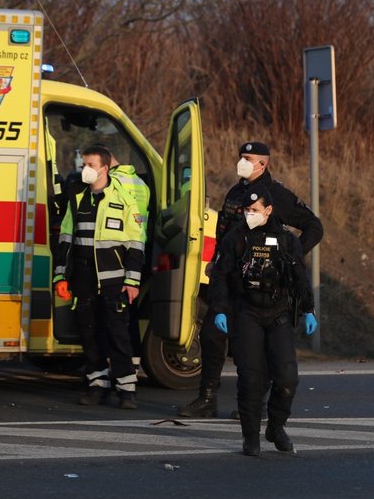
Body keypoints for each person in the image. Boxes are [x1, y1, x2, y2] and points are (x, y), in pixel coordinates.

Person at [179, 141, 323, 418]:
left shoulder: (276, 195)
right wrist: (216, 261)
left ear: (262, 164)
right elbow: (225, 230)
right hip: (231, 277)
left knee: (261, 344)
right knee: (212, 335)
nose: (241, 161)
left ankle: (256, 402)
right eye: (240, 156)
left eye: (247, 158)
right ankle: (207, 399)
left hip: (263, 284)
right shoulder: (236, 192)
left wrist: (287, 258)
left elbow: (314, 227)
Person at [208, 186, 317, 456]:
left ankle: (276, 426)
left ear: (268, 211)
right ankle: (251, 436)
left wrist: (308, 309)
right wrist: (220, 309)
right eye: (247, 210)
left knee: (287, 378)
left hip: (278, 312)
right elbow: (220, 276)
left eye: (255, 210)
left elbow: (299, 277)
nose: (249, 214)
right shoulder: (235, 238)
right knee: (251, 378)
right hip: (247, 313)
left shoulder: (286, 241)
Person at [52, 145, 146, 409]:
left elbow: (136, 243)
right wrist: (60, 277)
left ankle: (126, 390)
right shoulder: (78, 198)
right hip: (83, 280)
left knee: (118, 334)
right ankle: (97, 385)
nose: (86, 170)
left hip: (115, 281)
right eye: (84, 165)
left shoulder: (125, 199)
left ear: (104, 168)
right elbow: (65, 240)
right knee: (89, 334)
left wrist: (132, 281)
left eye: (91, 165)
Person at [108, 152, 151, 372]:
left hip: (113, 253)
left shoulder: (112, 183)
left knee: (114, 313)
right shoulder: (140, 183)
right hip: (134, 250)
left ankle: (118, 366)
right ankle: (132, 363)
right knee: (128, 310)